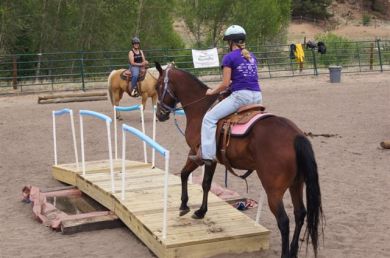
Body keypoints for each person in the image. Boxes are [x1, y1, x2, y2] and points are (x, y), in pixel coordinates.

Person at [189, 25, 262, 166]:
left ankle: (207, 155)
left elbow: (224, 84)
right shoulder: (251, 56)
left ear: (231, 42)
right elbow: (246, 78)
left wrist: (211, 91)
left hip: (241, 97)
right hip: (257, 96)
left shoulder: (229, 58)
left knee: (209, 119)